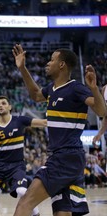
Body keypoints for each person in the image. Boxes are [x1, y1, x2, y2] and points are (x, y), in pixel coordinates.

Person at [12, 44, 107, 216]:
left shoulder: (76, 88)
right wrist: (22, 68)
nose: (48, 63)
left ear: (62, 64)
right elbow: (35, 94)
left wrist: (93, 88)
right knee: (62, 213)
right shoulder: (51, 89)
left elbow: (101, 111)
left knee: (25, 204)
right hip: (69, 158)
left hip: (64, 157)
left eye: (52, 60)